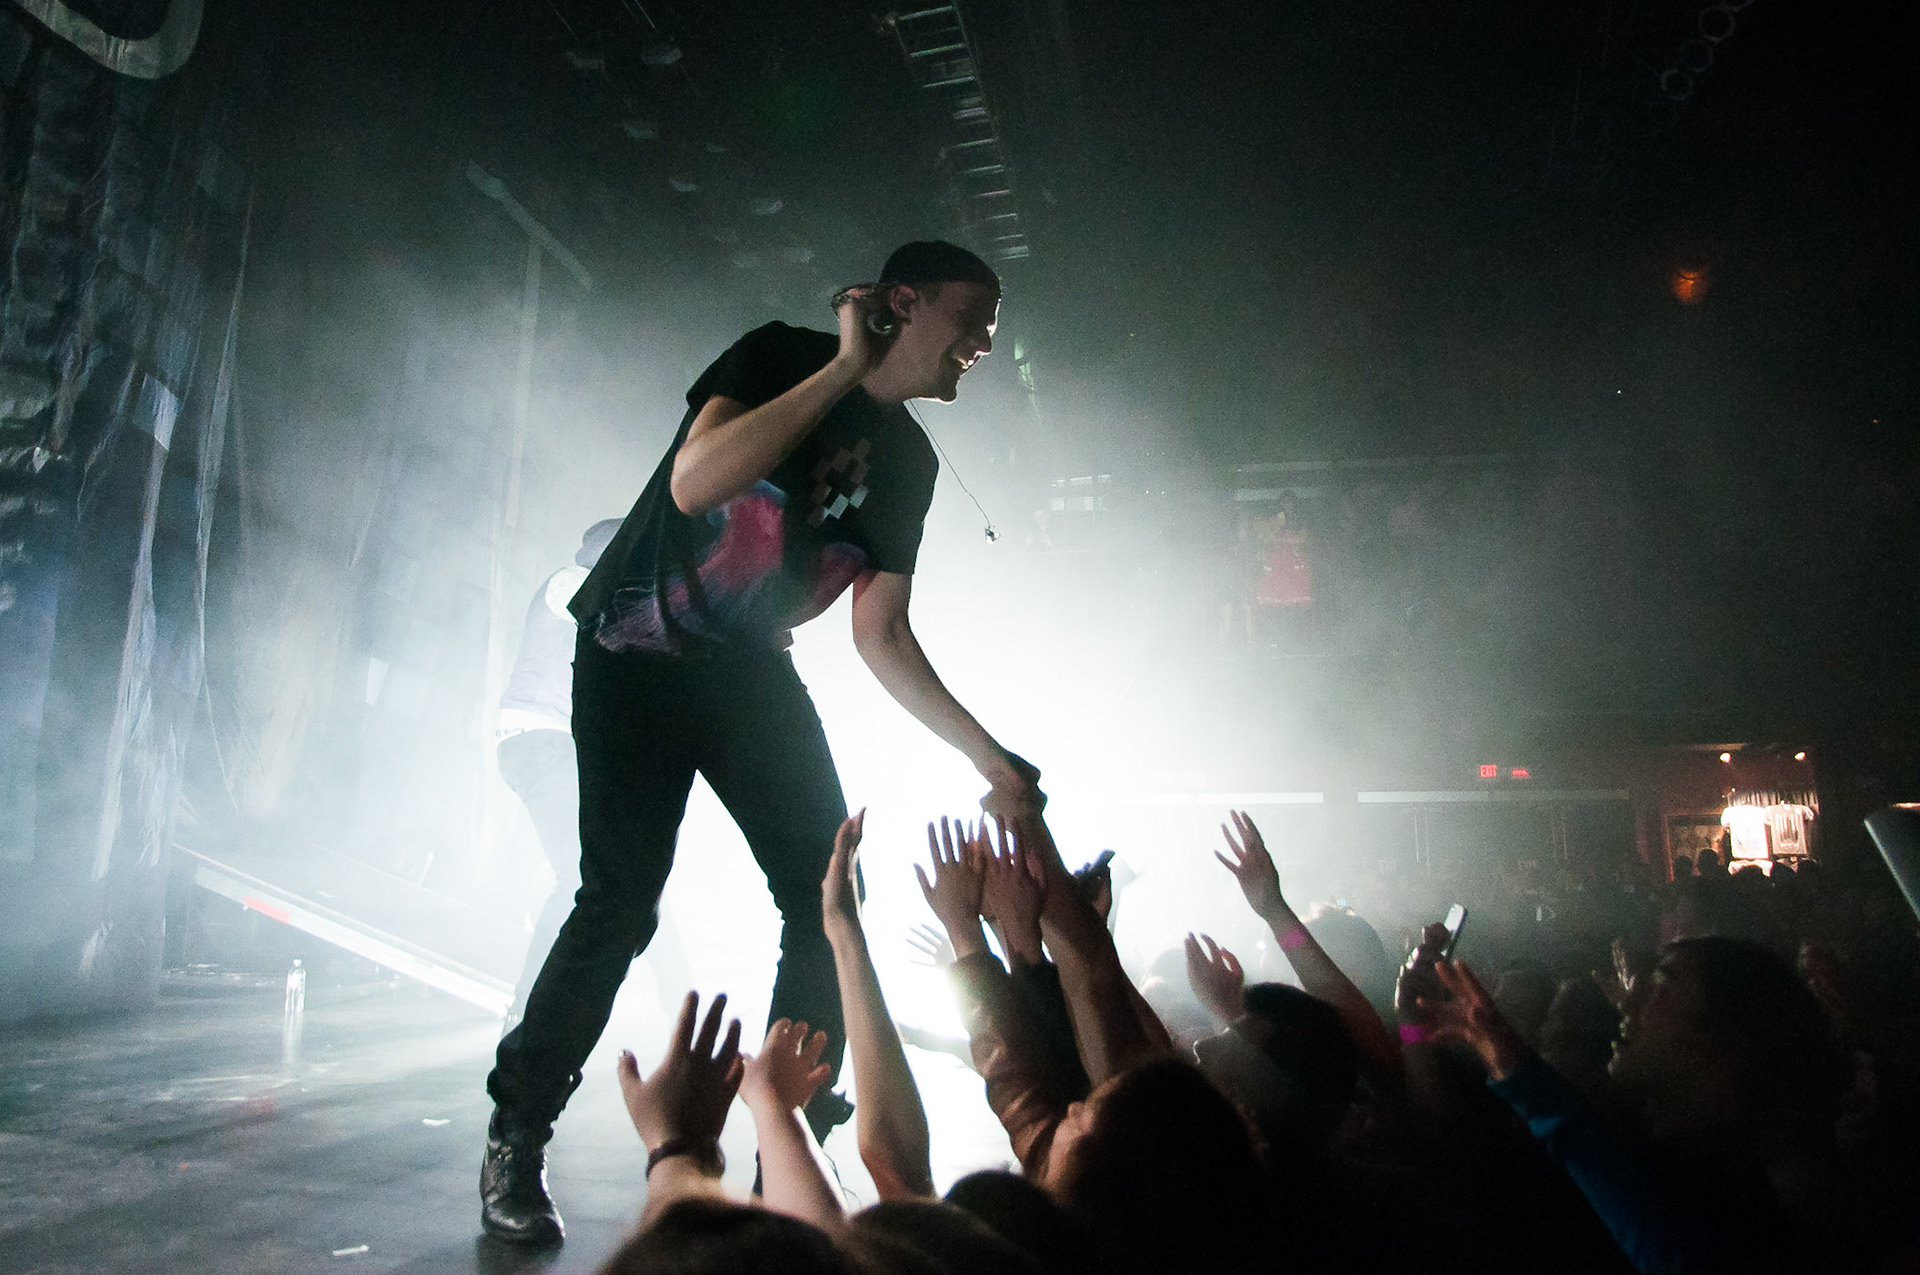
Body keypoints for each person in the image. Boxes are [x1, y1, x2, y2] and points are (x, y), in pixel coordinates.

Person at [480, 241, 1046, 1246]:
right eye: (972, 322)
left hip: (747, 670)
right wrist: (840, 371)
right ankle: (517, 1132)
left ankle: (795, 1141)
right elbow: (697, 483)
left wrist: (988, 757)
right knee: (619, 900)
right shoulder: (780, 355)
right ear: (903, 304)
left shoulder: (907, 465)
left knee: (828, 897)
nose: (983, 346)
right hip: (632, 646)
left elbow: (883, 634)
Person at [494, 518, 690, 1028]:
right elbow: (614, 616)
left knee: (633, 879)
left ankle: (682, 1006)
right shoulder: (567, 583)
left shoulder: (600, 602)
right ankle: (526, 1011)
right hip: (540, 743)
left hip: (557, 750)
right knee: (584, 879)